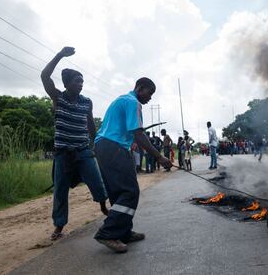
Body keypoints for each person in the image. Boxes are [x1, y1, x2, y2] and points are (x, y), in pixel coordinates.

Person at [94, 77, 172, 253]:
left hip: (103, 146)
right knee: (130, 191)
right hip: (114, 146)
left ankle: (123, 232)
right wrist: (159, 157)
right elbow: (138, 133)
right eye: (149, 93)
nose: (150, 98)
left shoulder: (122, 99)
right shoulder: (133, 103)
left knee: (118, 192)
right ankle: (108, 233)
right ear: (139, 88)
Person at [41, 46, 109, 241]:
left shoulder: (87, 102)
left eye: (82, 82)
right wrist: (60, 55)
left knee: (97, 182)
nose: (80, 84)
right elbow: (44, 76)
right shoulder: (58, 98)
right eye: (77, 81)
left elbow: (90, 124)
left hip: (83, 151)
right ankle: (59, 225)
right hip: (63, 153)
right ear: (67, 84)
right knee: (60, 190)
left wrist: (96, 144)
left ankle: (104, 206)